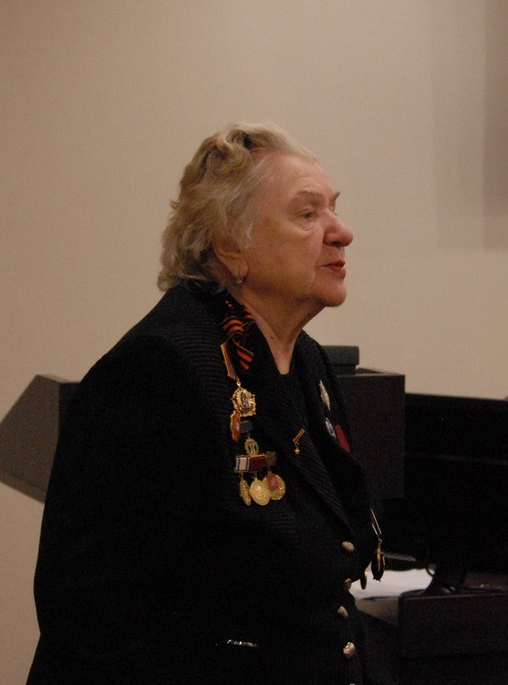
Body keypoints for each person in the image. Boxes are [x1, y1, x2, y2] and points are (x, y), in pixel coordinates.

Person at [27, 124, 386, 685]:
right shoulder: (160, 370)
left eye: (333, 210)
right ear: (230, 243)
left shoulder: (306, 359)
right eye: (307, 214)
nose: (342, 233)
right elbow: (93, 618)